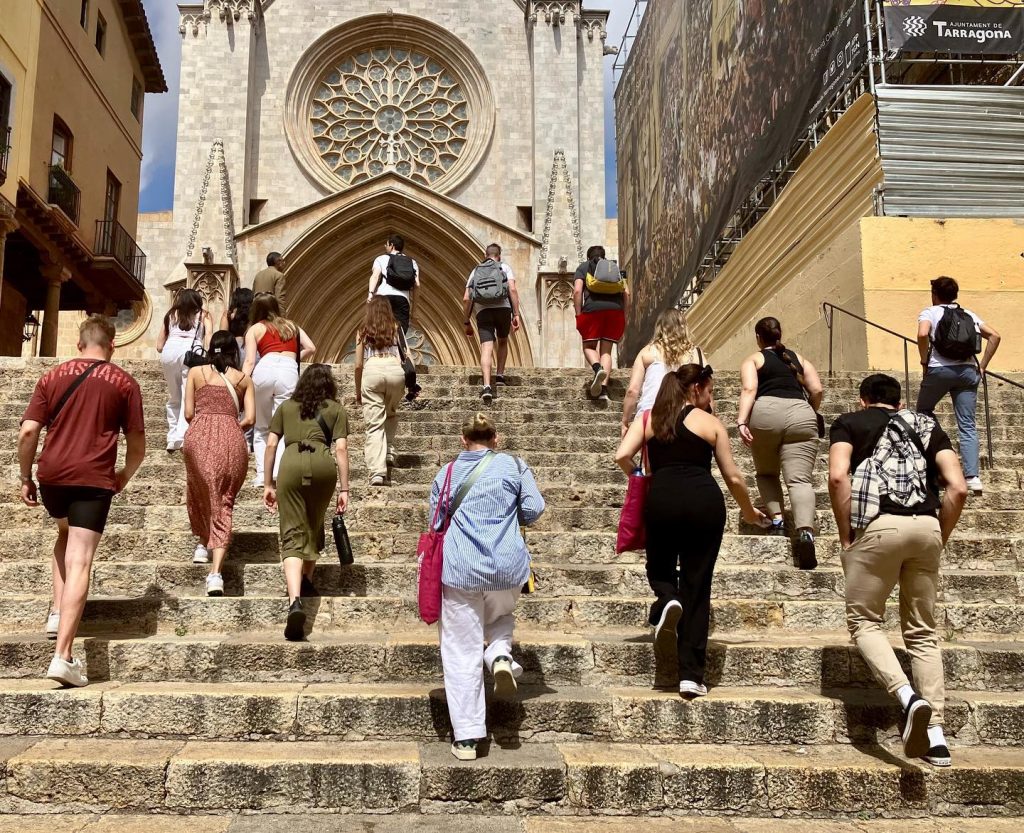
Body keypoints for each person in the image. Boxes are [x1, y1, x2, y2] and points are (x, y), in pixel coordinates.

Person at [828, 373, 968, 767]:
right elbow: (958, 487)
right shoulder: (926, 425)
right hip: (927, 527)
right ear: (900, 403)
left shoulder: (849, 423)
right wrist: (939, 534)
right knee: (923, 632)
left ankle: (907, 698)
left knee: (864, 622)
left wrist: (845, 535)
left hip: (879, 526)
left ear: (863, 400)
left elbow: (838, 476)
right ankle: (936, 738)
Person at [616, 365, 767, 698]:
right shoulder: (710, 423)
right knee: (697, 586)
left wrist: (642, 477)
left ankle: (668, 598)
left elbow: (622, 455)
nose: (711, 398)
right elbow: (734, 477)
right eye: (710, 391)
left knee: (660, 567)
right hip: (704, 503)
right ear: (696, 388)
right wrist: (748, 512)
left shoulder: (651, 419)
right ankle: (690, 676)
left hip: (662, 499)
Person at [17, 315, 146, 687]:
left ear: (79, 344)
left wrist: (25, 476)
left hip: (52, 477)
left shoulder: (52, 376)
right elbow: (138, 445)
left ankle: (58, 613)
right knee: (81, 559)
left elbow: (28, 431)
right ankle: (64, 656)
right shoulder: (125, 382)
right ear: (112, 345)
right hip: (92, 478)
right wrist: (124, 475)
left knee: (64, 533)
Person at [431, 413, 545, 761]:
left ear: (463, 440)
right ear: (496, 438)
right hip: (506, 567)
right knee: (500, 614)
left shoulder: (447, 473)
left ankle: (467, 737)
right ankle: (498, 654)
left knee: (460, 649)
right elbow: (534, 508)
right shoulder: (514, 466)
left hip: (460, 569)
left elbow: (436, 521)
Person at [263, 364, 350, 641]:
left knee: (292, 532)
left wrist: (268, 483)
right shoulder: (336, 409)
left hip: (291, 465)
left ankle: (295, 600)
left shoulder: (286, 407)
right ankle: (307, 580)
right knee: (315, 522)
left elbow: (271, 444)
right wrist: (345, 488)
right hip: (323, 466)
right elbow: (341, 449)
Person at [736, 316, 823, 570]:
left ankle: (777, 521)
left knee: (767, 472)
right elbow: (817, 390)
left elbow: (749, 389)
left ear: (758, 337)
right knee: (800, 480)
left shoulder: (754, 359)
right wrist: (810, 410)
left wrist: (741, 421)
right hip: (801, 413)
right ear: (780, 334)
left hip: (766, 414)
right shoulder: (799, 359)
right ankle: (805, 532)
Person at [183, 331, 256, 591]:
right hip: (231, 440)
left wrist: (207, 423)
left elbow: (188, 413)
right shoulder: (244, 379)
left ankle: (203, 544)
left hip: (198, 436)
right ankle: (215, 575)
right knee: (224, 500)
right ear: (234, 352)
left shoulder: (195, 373)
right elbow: (250, 419)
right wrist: (228, 425)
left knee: (200, 491)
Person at [916, 276, 1001, 494]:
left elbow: (923, 333)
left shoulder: (930, 312)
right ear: (955, 295)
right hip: (967, 372)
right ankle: (973, 477)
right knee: (967, 424)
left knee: (923, 413)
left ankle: (939, 458)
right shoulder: (969, 314)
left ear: (935, 294)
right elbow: (995, 336)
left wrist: (924, 361)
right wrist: (982, 366)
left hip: (939, 370)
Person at [243, 293, 316, 488]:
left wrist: (240, 384)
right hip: (288, 371)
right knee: (282, 425)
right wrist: (291, 358)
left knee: (261, 427)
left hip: (264, 369)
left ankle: (262, 475)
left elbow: (249, 361)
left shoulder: (255, 329)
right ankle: (278, 472)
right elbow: (311, 347)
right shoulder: (292, 326)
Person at [621, 308, 707, 436]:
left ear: (659, 328)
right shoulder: (695, 353)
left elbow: (632, 391)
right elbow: (707, 389)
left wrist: (625, 421)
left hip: (650, 416)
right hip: (686, 417)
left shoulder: (647, 352)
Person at [354, 297, 406, 487]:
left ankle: (377, 472)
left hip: (372, 370)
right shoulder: (396, 328)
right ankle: (389, 450)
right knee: (391, 413)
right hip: (395, 370)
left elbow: (358, 365)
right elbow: (404, 356)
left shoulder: (362, 330)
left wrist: (358, 391)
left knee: (375, 424)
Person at [462, 243, 522, 404]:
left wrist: (466, 321)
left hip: (483, 312)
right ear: (499, 255)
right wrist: (516, 314)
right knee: (503, 341)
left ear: (485, 255)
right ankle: (500, 376)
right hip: (503, 309)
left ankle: (487, 386)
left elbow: (466, 298)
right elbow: (512, 290)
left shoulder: (476, 270)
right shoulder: (504, 267)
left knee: (486, 348)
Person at [156, 289, 211, 451]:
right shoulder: (203, 315)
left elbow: (159, 346)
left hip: (169, 353)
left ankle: (171, 437)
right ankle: (181, 436)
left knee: (174, 396)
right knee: (188, 395)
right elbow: (208, 337)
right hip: (190, 354)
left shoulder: (171, 315)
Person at [573, 245, 629, 402]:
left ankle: (597, 368)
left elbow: (577, 291)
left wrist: (578, 314)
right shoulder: (615, 268)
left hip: (593, 310)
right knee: (606, 351)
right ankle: (603, 391)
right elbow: (627, 293)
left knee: (589, 347)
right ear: (604, 256)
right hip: (615, 311)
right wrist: (624, 314)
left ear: (588, 257)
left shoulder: (584, 267)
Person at [368, 233, 420, 335]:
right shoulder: (412, 262)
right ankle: (398, 342)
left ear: (392, 245)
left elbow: (375, 276)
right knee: (400, 332)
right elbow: (417, 285)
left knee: (380, 329)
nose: (385, 246)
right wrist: (414, 312)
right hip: (402, 300)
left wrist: (370, 294)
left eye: (386, 244)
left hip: (383, 297)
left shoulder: (381, 258)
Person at [219, 287, 254, 364]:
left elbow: (222, 337)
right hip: (249, 350)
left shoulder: (228, 315)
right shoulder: (253, 316)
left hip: (232, 351)